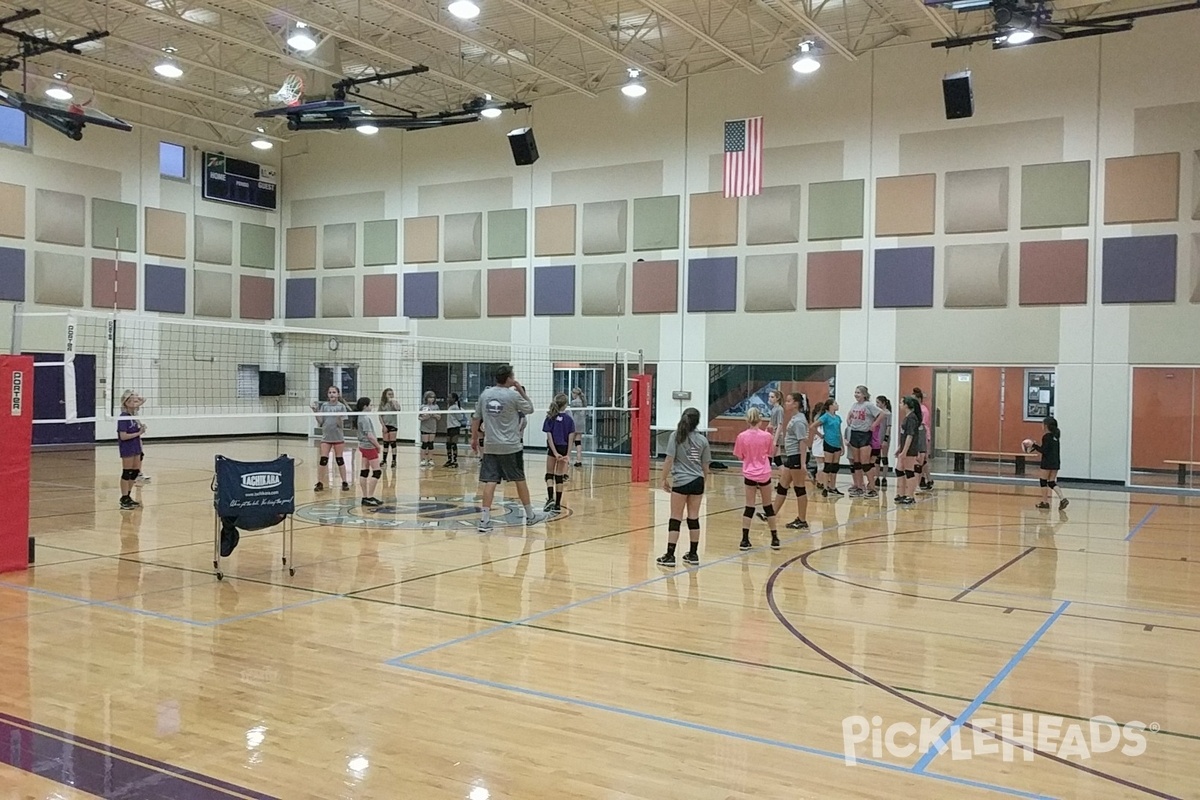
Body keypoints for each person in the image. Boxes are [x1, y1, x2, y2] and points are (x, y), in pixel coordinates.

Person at [471, 365, 550, 532]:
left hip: (491, 445)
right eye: (512, 376)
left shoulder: (485, 395)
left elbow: (476, 418)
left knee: (490, 482)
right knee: (519, 480)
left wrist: (474, 438)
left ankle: (485, 521)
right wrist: (521, 390)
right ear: (509, 378)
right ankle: (530, 516)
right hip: (511, 446)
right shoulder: (513, 395)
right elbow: (530, 409)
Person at [656, 408, 711, 567]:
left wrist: (663, 478)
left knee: (675, 517)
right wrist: (703, 481)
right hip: (697, 481)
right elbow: (706, 466)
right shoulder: (702, 440)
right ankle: (693, 554)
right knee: (693, 517)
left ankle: (670, 555)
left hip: (681, 481)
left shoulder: (676, 436)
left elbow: (669, 459)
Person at [761, 392, 811, 531]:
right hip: (792, 456)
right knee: (783, 486)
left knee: (799, 488)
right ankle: (771, 514)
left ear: (796, 404)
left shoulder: (799, 420)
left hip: (797, 456)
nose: (786, 403)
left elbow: (802, 442)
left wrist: (802, 464)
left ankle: (802, 520)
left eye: (789, 401)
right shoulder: (795, 418)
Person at [734, 407, 780, 551]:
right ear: (760, 420)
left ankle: (745, 539)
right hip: (764, 473)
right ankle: (774, 538)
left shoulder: (742, 436)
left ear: (747, 420)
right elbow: (771, 452)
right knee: (768, 506)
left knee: (749, 506)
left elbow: (739, 455)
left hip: (749, 473)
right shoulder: (767, 436)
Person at [844, 385, 882, 498]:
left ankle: (872, 488)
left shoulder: (868, 405)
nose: (856, 394)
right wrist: (848, 418)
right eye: (855, 392)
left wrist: (874, 425)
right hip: (854, 434)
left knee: (866, 464)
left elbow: (882, 414)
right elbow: (851, 414)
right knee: (857, 464)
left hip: (864, 434)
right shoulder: (854, 405)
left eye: (858, 393)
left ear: (864, 394)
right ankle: (859, 487)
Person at [312, 386, 351, 491]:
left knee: (339, 459)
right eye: (330, 392)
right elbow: (321, 422)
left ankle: (344, 482)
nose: (332, 394)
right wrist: (315, 412)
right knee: (323, 460)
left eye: (334, 392)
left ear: (338, 394)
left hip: (338, 437)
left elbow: (341, 426)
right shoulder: (324, 406)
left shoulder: (341, 407)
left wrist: (338, 417)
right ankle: (320, 482)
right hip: (326, 437)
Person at [542, 393, 575, 512]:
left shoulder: (550, 418)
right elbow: (571, 438)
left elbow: (549, 438)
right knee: (559, 476)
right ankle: (557, 504)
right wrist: (567, 454)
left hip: (553, 448)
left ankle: (550, 498)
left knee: (549, 475)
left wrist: (555, 453)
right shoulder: (569, 420)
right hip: (564, 448)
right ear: (565, 405)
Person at [117, 389, 146, 510]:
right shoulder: (123, 417)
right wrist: (139, 432)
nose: (136, 401)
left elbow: (143, 400)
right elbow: (123, 436)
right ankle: (124, 498)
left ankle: (128, 496)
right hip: (127, 447)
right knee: (127, 472)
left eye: (136, 400)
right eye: (132, 400)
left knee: (134, 472)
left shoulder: (133, 415)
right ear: (126, 402)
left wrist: (135, 398)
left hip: (136, 447)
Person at [1030, 416, 1067, 510]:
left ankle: (1045, 502)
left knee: (1043, 481)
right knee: (1051, 482)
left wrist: (1034, 445)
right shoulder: (1056, 436)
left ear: (1046, 426)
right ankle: (1063, 499)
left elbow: (1044, 450)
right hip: (1056, 462)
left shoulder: (1046, 436)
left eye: (1042, 424)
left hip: (1047, 462)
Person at [353, 397, 383, 506]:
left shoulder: (359, 417)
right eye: (370, 405)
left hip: (362, 446)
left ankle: (365, 497)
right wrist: (378, 446)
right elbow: (370, 436)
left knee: (364, 471)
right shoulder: (364, 418)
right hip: (369, 446)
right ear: (365, 406)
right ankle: (369, 497)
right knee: (377, 472)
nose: (371, 407)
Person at [894, 396, 922, 506]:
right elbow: (904, 435)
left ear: (906, 405)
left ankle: (910, 496)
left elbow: (910, 436)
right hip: (905, 448)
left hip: (910, 449)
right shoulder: (907, 417)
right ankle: (902, 494)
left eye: (901, 402)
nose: (900, 404)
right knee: (899, 470)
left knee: (909, 471)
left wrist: (904, 451)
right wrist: (899, 448)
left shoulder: (911, 418)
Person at [817, 399, 844, 496]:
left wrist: (842, 445)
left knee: (835, 467)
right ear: (830, 406)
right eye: (835, 403)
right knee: (827, 466)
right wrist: (820, 435)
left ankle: (833, 487)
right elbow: (813, 426)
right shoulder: (825, 417)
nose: (837, 405)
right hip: (829, 443)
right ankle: (825, 487)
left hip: (837, 443)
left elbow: (839, 432)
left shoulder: (837, 418)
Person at [913, 387, 934, 492]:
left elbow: (922, 424)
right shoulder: (915, 410)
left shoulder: (923, 410)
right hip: (918, 434)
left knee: (921, 459)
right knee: (923, 460)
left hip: (923, 434)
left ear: (920, 399)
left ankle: (920, 481)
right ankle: (928, 479)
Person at [872, 396, 892, 491]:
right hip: (876, 437)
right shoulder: (877, 413)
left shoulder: (887, 413)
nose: (877, 405)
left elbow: (888, 427)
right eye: (876, 403)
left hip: (884, 437)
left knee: (884, 457)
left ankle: (884, 477)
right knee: (877, 458)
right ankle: (877, 477)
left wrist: (886, 439)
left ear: (884, 403)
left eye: (878, 403)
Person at [378, 388, 400, 469]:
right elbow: (380, 415)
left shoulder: (395, 402)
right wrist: (383, 426)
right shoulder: (382, 404)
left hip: (393, 425)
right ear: (385, 395)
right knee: (385, 444)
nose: (391, 395)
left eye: (392, 394)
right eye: (389, 394)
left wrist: (393, 402)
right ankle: (384, 460)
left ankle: (394, 461)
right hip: (385, 425)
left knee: (393, 443)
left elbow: (398, 409)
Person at [445, 393, 468, 469]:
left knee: (453, 444)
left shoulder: (455, 408)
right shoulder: (450, 407)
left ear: (454, 399)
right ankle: (449, 460)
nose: (448, 399)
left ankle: (454, 461)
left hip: (455, 427)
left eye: (449, 397)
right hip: (449, 427)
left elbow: (460, 417)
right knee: (448, 444)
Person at [418, 391, 440, 467]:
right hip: (424, 427)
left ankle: (430, 459)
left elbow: (439, 417)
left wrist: (433, 414)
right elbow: (419, 417)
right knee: (424, 444)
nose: (432, 399)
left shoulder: (436, 407)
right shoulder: (422, 406)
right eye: (430, 397)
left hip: (432, 427)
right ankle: (423, 459)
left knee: (431, 444)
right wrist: (424, 417)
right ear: (426, 398)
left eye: (433, 397)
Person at [766, 389, 785, 471]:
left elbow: (780, 424)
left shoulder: (779, 409)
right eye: (769, 396)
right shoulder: (774, 408)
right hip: (772, 434)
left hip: (776, 435)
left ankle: (766, 477)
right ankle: (785, 478)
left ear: (777, 398)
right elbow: (771, 423)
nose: (770, 398)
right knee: (777, 459)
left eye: (772, 397)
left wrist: (775, 440)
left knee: (769, 457)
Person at [569, 387, 586, 468]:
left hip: (574, 423)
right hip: (581, 424)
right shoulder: (583, 402)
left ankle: (567, 459)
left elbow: (571, 413)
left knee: (570, 442)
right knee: (578, 442)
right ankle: (579, 460)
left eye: (572, 393)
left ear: (574, 393)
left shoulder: (574, 402)